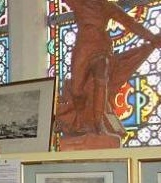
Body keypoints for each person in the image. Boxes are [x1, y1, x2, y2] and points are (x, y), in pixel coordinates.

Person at [56, 0, 161, 137]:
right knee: (77, 91)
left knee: (102, 75)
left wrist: (152, 38)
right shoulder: (79, 3)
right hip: (83, 48)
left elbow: (130, 23)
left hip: (101, 46)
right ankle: (79, 122)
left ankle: (99, 123)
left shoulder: (107, 6)